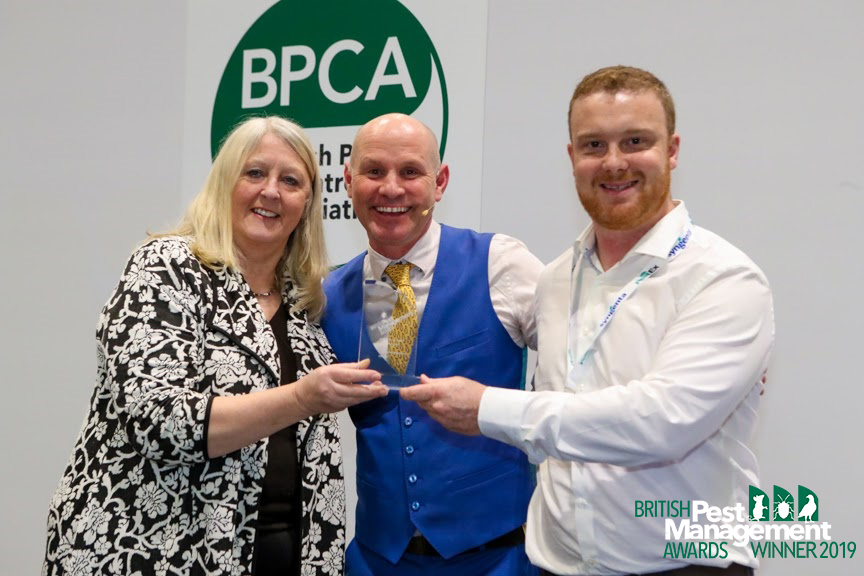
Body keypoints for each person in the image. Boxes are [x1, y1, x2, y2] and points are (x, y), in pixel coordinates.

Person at [401, 66, 775, 576]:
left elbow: (659, 423)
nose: (614, 162)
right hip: (556, 566)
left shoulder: (724, 279)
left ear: (672, 150)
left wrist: (489, 408)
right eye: (594, 144)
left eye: (635, 141)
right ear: (572, 156)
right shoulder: (554, 279)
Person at [43, 116, 388, 576]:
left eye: (290, 180)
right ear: (225, 183)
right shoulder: (167, 267)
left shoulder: (309, 301)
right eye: (254, 173)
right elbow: (162, 420)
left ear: (306, 203)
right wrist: (304, 397)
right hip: (148, 551)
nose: (271, 191)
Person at [320, 113, 543, 575]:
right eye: (374, 171)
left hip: (497, 559)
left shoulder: (499, 264)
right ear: (349, 181)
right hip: (377, 562)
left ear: (439, 182)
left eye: (410, 172)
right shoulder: (327, 295)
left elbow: (580, 365)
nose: (391, 189)